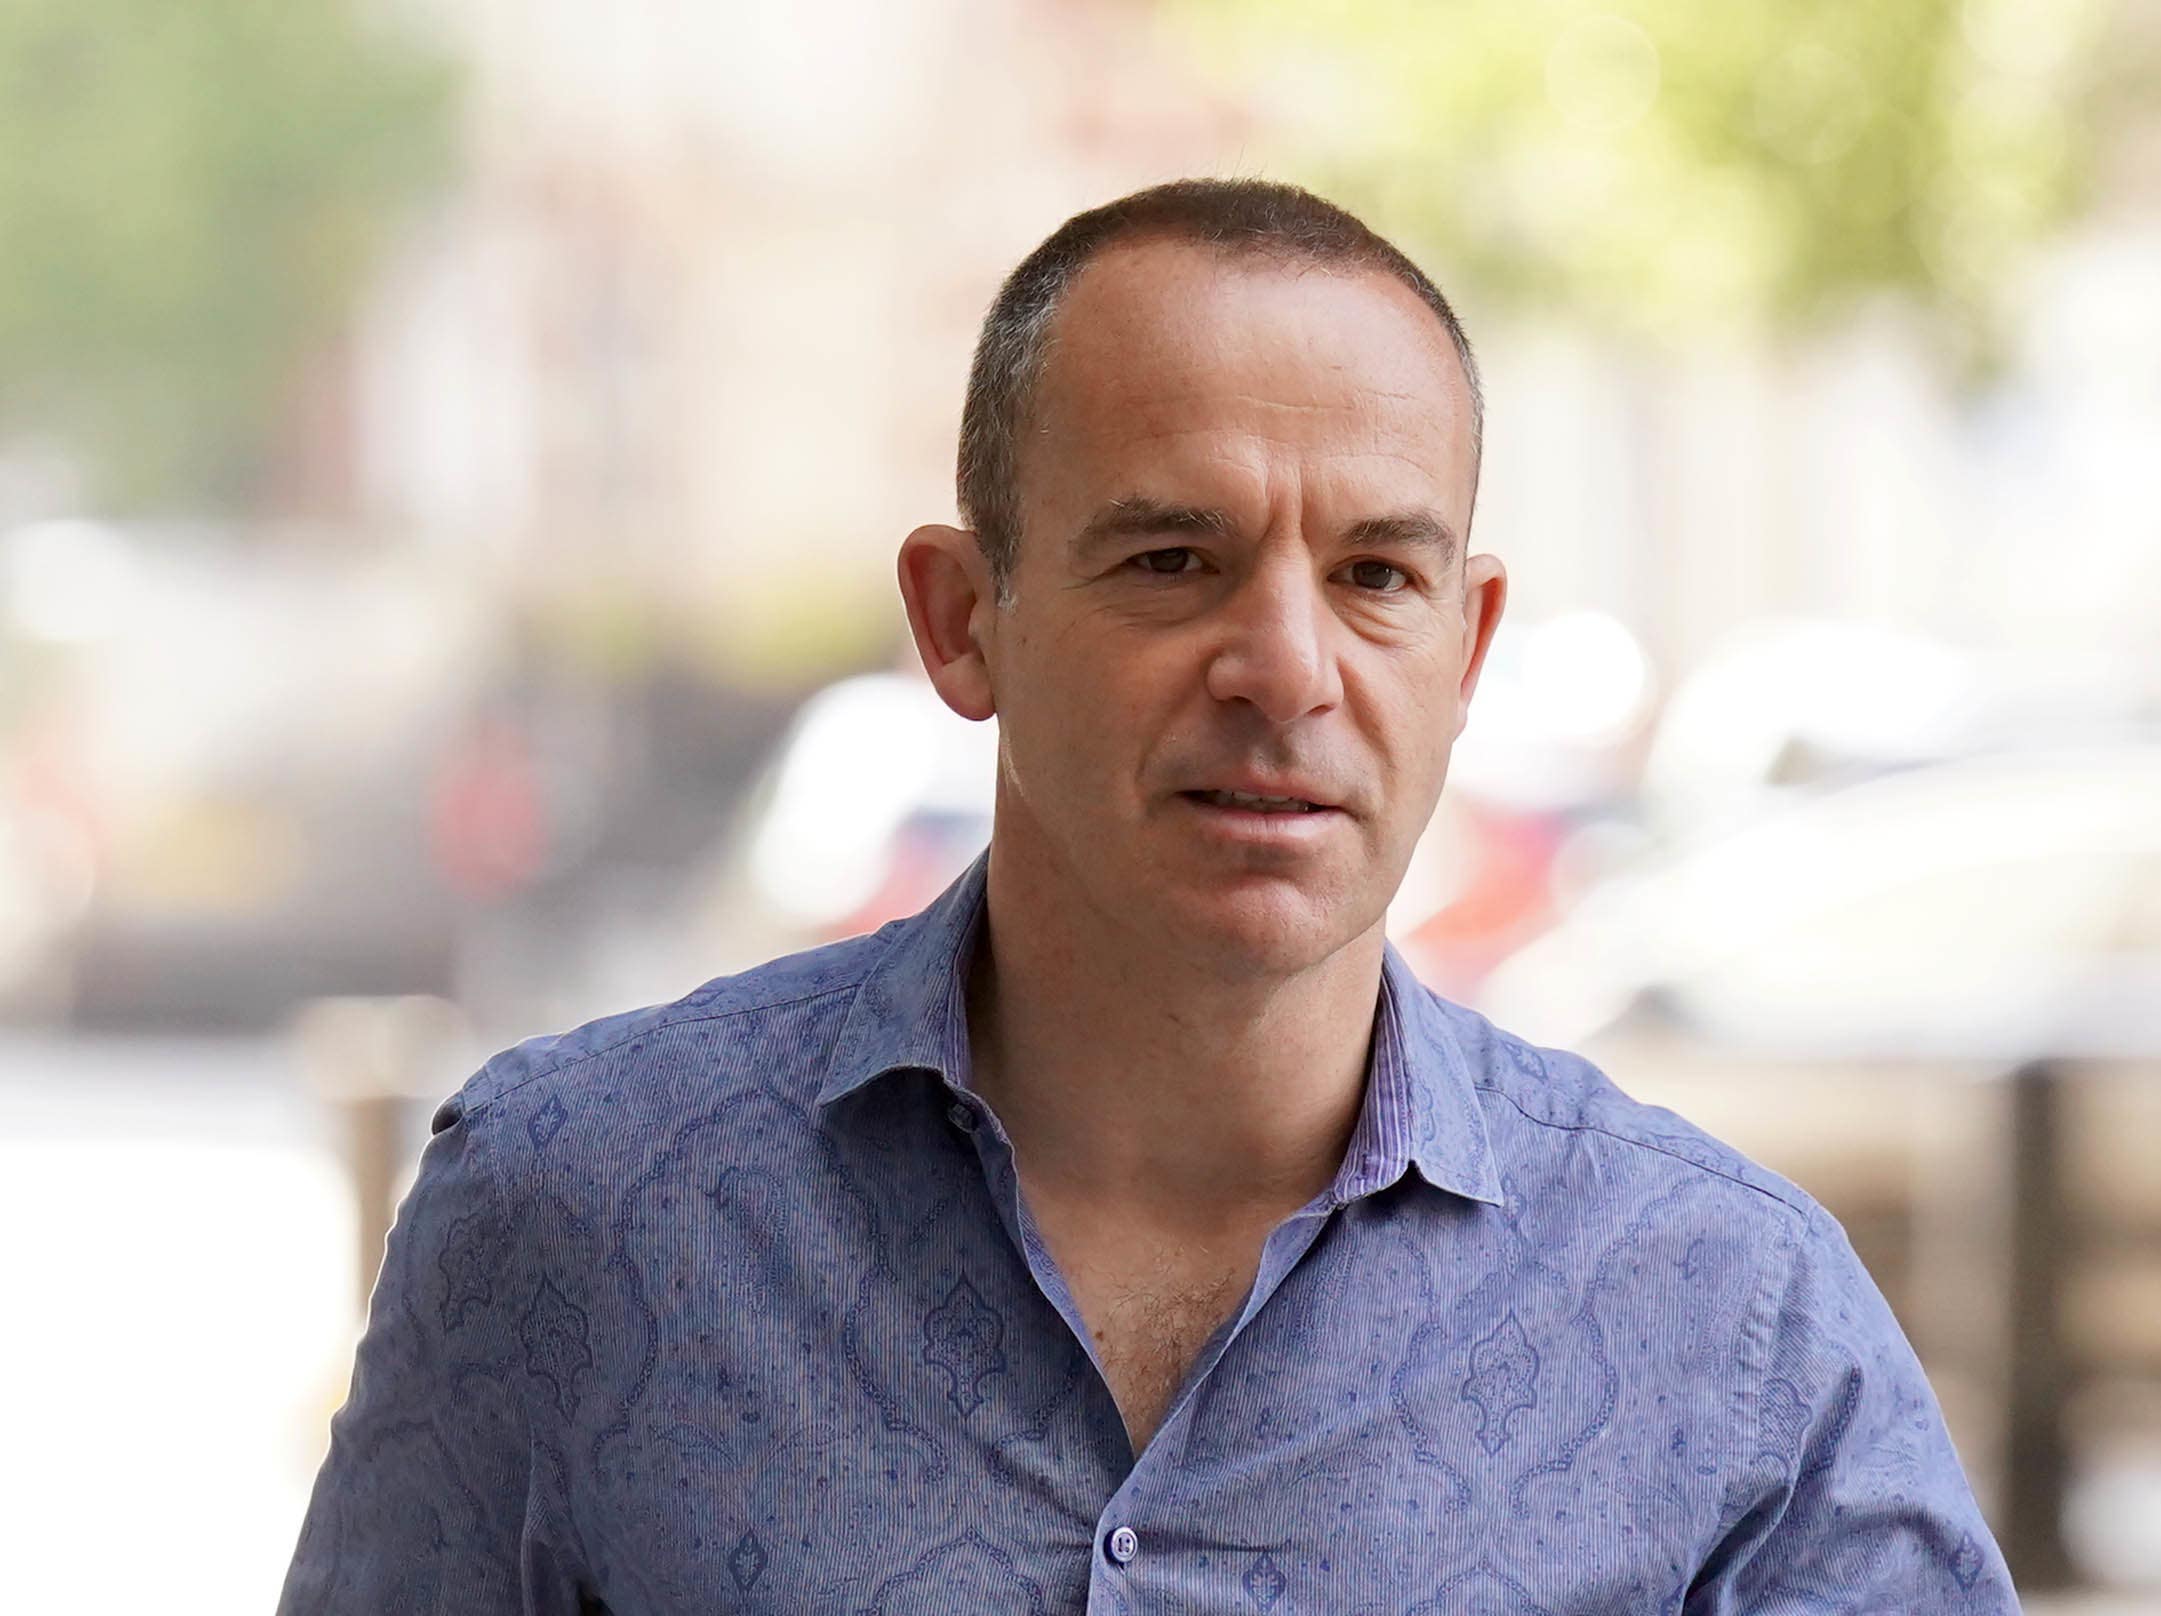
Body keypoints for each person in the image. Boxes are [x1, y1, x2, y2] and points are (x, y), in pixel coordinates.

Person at [279, 179, 2020, 1614]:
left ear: (1469, 647)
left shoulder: (1731, 1324)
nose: (1286, 666)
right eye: (1173, 559)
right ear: (963, 620)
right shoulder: (577, 1213)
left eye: (1376, 575)